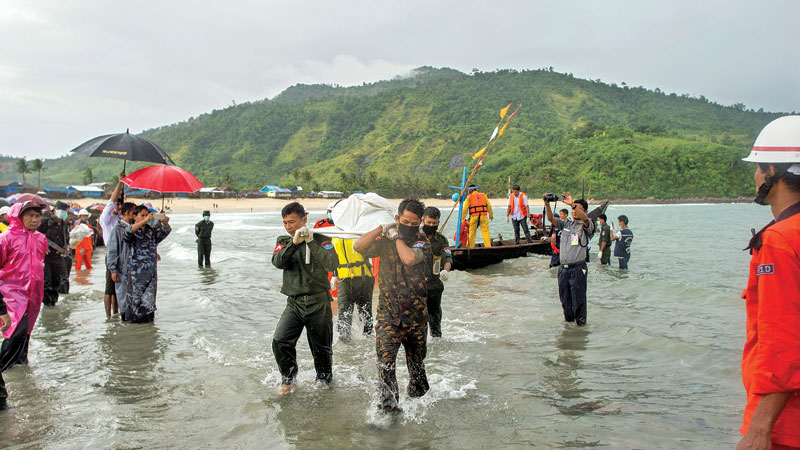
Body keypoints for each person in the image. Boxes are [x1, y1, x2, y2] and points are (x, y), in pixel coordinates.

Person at [737, 115, 800, 450]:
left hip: (786, 424)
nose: (755, 174)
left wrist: (760, 429)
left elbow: (783, 341)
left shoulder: (780, 240)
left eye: (759, 166)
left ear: (774, 172)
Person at [354, 199, 432, 413]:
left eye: (414, 223)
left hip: (415, 318)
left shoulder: (422, 241)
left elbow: (408, 259)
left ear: (420, 223)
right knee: (385, 366)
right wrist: (381, 228)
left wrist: (397, 236)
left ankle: (421, 410)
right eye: (405, 221)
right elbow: (358, 246)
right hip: (389, 316)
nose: (409, 226)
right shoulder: (385, 240)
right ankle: (389, 413)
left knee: (417, 370)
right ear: (397, 219)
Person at [271, 202, 338, 395]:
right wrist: (295, 243)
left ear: (304, 219)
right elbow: (278, 262)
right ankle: (288, 379)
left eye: (292, 222)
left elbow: (332, 263)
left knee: (321, 348)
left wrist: (310, 242)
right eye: (285, 222)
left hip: (319, 302)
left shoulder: (321, 238)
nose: (288, 226)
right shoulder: (283, 241)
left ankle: (324, 381)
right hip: (294, 303)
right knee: (280, 340)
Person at [0, 202, 47, 410]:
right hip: (11, 292)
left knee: (26, 331)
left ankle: (20, 367)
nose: (35, 220)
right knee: (15, 331)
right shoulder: (6, 238)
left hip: (34, 292)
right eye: (30, 216)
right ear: (18, 216)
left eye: (37, 216)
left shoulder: (40, 239)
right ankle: (3, 366)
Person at [544, 193, 595, 326]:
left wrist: (572, 204)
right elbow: (551, 219)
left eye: (577, 208)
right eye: (572, 209)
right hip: (563, 269)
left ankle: (580, 329)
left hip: (578, 268)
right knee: (565, 301)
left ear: (585, 211)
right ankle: (569, 327)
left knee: (579, 301)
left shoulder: (587, 225)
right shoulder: (567, 224)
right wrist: (546, 204)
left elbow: (586, 220)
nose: (573, 211)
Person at [119, 205, 171, 323]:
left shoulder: (150, 231)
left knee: (149, 303)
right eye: (142, 215)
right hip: (135, 275)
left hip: (150, 273)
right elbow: (128, 233)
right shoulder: (131, 230)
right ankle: (135, 330)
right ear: (135, 216)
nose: (145, 218)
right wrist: (146, 220)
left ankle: (148, 329)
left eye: (147, 215)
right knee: (135, 303)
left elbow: (163, 233)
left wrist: (164, 223)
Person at [422, 206, 452, 338]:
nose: (431, 225)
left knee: (435, 318)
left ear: (438, 222)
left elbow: (447, 257)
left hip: (434, 284)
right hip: (416, 284)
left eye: (434, 223)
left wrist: (446, 270)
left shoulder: (441, 240)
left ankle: (437, 349)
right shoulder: (415, 237)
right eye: (429, 223)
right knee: (417, 319)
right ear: (423, 220)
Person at [100, 173, 126, 316]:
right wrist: (120, 182)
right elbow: (112, 200)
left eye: (120, 205)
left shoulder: (121, 219)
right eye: (117, 204)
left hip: (123, 254)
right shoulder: (106, 219)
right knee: (109, 288)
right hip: (112, 254)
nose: (118, 206)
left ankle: (116, 314)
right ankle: (108, 316)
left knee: (118, 287)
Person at [106, 202, 137, 319]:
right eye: (133, 212)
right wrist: (113, 269)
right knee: (123, 296)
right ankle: (124, 317)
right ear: (127, 212)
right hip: (121, 268)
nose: (135, 215)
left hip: (134, 268)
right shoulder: (117, 229)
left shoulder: (134, 227)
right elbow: (112, 250)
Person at [37, 201, 70, 306]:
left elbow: (66, 238)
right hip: (46, 257)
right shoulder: (45, 222)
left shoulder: (65, 224)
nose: (62, 212)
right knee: (47, 281)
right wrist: (42, 246)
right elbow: (35, 235)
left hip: (58, 256)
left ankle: (54, 303)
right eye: (60, 210)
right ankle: (47, 305)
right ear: (55, 210)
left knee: (57, 281)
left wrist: (67, 246)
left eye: (64, 210)